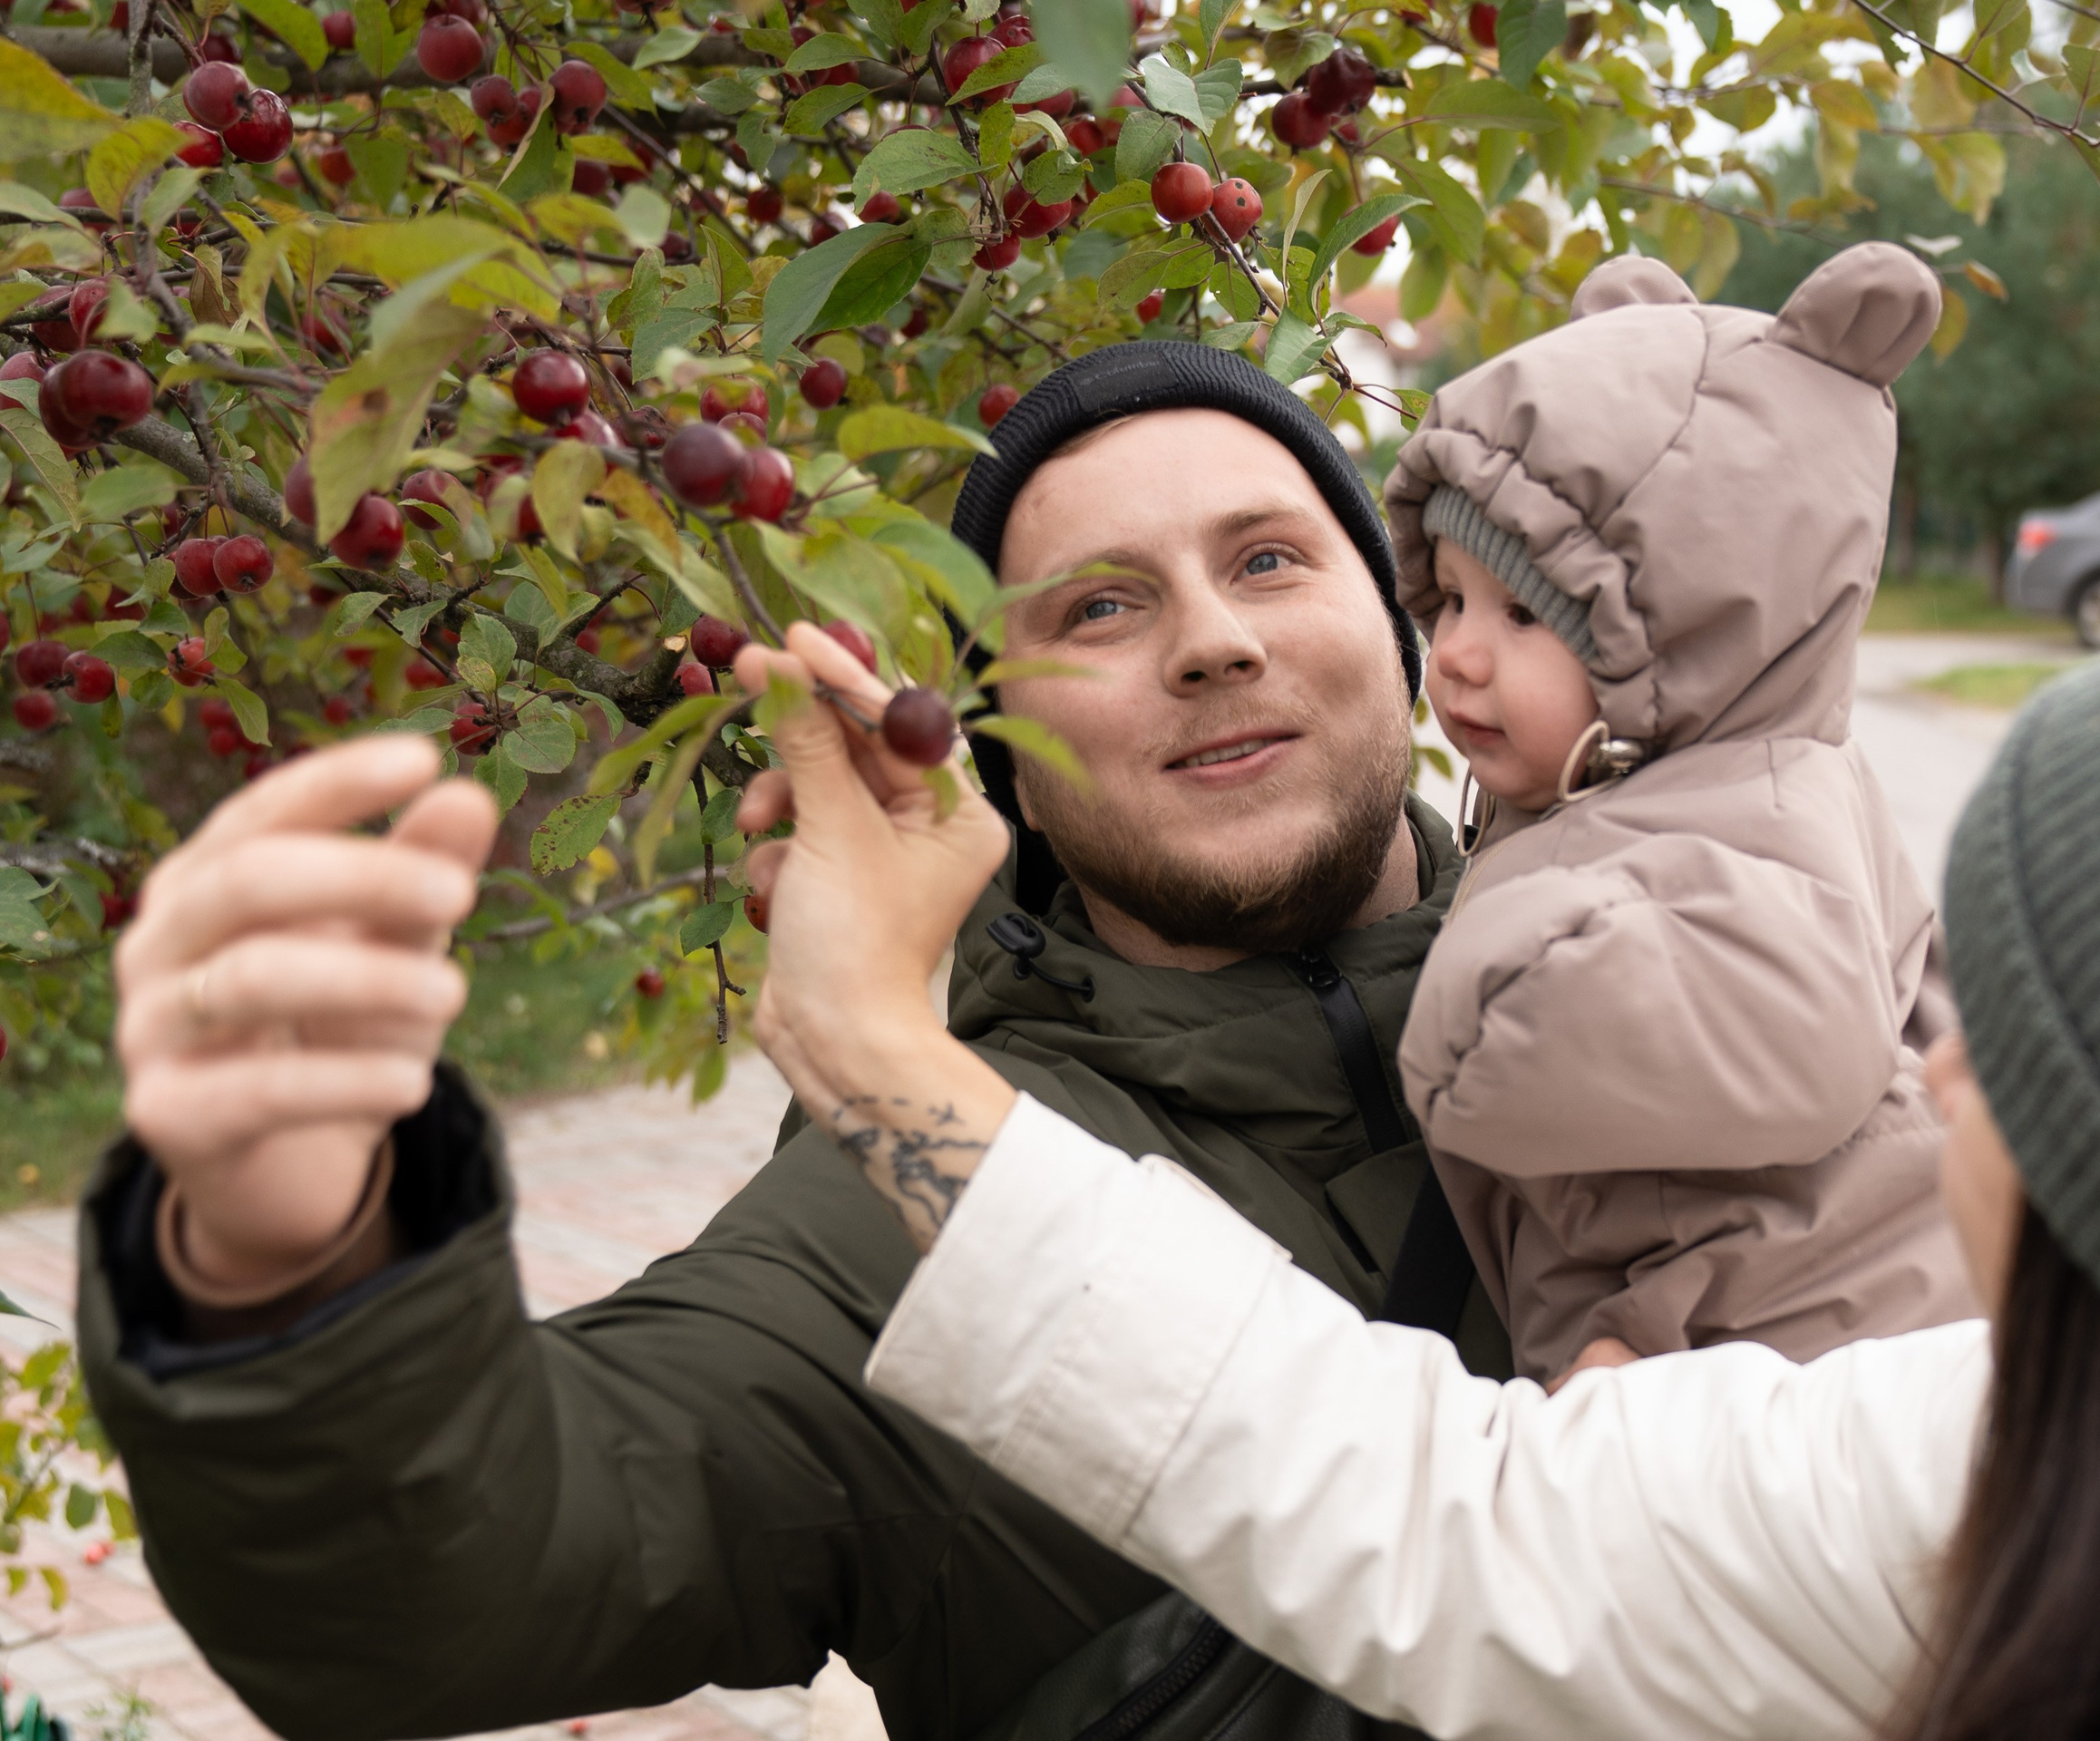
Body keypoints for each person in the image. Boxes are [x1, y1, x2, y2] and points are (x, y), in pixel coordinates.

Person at [84, 345, 1512, 1741]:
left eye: (1267, 559)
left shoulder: (1689, 987)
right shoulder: (902, 1216)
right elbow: (429, 1586)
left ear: (1401, 630)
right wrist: (282, 1286)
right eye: (1099, 610)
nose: (1213, 641)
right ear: (1006, 754)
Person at [734, 579, 2100, 1741]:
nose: (1946, 1064)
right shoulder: (1958, 1462)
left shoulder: (1945, 1501)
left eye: (2050, 1053)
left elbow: (1407, 1513)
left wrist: (866, 1046)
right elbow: (1450, 1511)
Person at [1382, 242, 1978, 1388]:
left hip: (1801, 1349)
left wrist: (1501, 986)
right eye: (1449, 597)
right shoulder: (1651, 772)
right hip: (1695, 1347)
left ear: (1694, 633)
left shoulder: (1759, 810)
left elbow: (1791, 1043)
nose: (1454, 651)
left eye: (1524, 614)